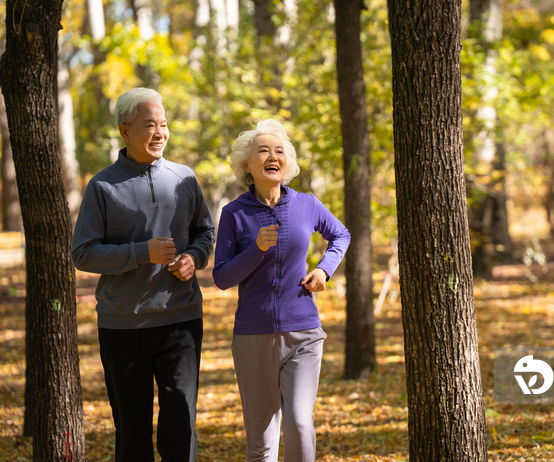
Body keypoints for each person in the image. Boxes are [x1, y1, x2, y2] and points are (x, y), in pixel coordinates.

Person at [71, 87, 215, 462]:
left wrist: (193, 258)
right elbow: (82, 253)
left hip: (181, 319)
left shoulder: (184, 178)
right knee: (132, 430)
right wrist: (141, 253)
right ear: (124, 131)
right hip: (123, 325)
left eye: (164, 125)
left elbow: (205, 231)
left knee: (181, 421)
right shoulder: (102, 186)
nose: (159, 133)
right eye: (149, 125)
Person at [213, 119, 350, 462]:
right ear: (248, 165)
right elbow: (222, 277)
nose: (272, 156)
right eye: (263, 150)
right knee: (261, 440)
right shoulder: (234, 214)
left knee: (300, 423)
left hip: (303, 330)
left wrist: (324, 269)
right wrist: (255, 249)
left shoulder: (306, 204)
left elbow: (341, 235)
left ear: (286, 162)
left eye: (279, 151)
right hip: (252, 336)